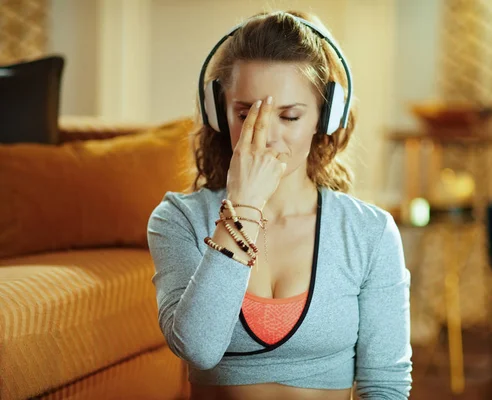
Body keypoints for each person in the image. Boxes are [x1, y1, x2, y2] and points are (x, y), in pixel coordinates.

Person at [147, 10, 412, 400]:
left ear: (325, 117)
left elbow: (385, 385)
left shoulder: (369, 232)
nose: (266, 136)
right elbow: (199, 350)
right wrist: (245, 204)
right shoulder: (179, 219)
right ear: (218, 113)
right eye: (245, 113)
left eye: (289, 116)